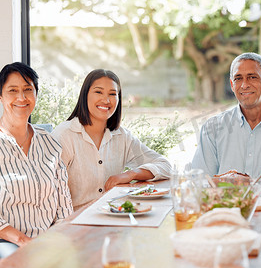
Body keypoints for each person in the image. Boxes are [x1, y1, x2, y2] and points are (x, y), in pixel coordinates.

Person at [0, 62, 73, 268]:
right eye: (12, 91)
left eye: (28, 90)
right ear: (0, 95)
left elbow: (64, 205)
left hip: (43, 243)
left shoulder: (49, 143)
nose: (21, 98)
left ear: (36, 94)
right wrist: (24, 241)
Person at [52, 69, 171, 210]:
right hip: (74, 222)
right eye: (98, 92)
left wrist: (130, 174)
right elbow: (50, 192)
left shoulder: (122, 136)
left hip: (112, 217)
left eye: (113, 94)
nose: (106, 100)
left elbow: (165, 166)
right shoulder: (64, 136)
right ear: (85, 95)